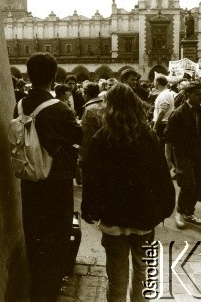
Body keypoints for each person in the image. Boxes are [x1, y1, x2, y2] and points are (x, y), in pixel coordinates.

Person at [81, 84, 175, 302]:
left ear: (109, 107)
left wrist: (89, 209)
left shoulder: (101, 138)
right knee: (143, 270)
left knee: (116, 274)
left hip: (113, 218)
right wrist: (166, 206)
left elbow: (91, 179)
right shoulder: (149, 137)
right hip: (143, 216)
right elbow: (161, 175)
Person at [14, 53, 83, 302]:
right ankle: (49, 293)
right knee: (56, 237)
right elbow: (79, 135)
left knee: (34, 233)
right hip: (56, 181)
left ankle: (36, 289)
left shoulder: (20, 105)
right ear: (54, 77)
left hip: (30, 178)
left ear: (29, 75)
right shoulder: (60, 109)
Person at [164, 82, 201, 229]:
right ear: (188, 95)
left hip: (197, 154)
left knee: (196, 186)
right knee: (187, 185)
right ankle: (179, 213)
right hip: (182, 155)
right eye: (198, 94)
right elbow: (169, 139)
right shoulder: (178, 114)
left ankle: (189, 212)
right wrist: (168, 159)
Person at [78, 82, 105, 175]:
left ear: (85, 94)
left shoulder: (89, 109)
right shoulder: (105, 104)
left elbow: (87, 137)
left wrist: (82, 158)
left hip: (93, 155)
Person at [152, 74, 175, 147]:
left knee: (160, 147)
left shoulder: (164, 95)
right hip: (163, 124)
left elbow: (162, 112)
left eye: (154, 81)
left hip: (162, 125)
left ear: (157, 82)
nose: (153, 83)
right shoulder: (165, 93)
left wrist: (155, 127)